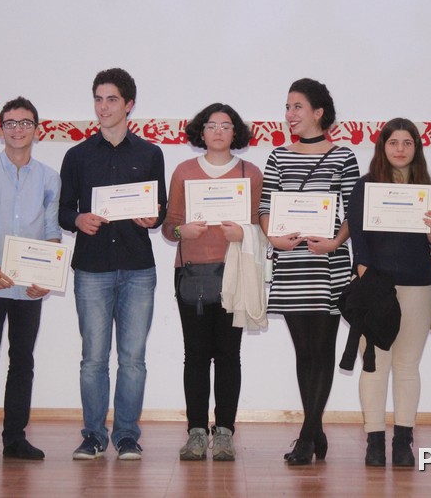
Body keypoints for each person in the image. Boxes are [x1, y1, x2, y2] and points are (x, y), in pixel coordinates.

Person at [59, 68, 167, 461]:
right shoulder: (77, 155)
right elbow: (63, 210)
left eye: (111, 100)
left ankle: (126, 436)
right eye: (98, 99)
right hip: (92, 269)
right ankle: (92, 435)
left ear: (129, 105)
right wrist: (78, 220)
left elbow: (161, 208)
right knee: (93, 360)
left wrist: (153, 217)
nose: (103, 107)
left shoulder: (150, 154)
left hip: (138, 269)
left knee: (133, 360)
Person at [259, 78, 360, 465]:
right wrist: (274, 238)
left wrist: (335, 243)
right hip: (292, 263)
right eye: (287, 107)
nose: (290, 114)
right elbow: (265, 207)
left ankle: (306, 435)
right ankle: (314, 431)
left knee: (322, 349)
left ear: (319, 112)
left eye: (297, 106)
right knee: (304, 352)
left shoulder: (343, 156)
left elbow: (353, 211)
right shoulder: (278, 156)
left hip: (327, 264)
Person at [162, 103, 264, 462]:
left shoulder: (250, 173)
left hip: (234, 273)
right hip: (192, 274)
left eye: (226, 125)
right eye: (211, 125)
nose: (218, 131)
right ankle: (195, 432)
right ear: (201, 131)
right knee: (195, 355)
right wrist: (182, 231)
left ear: (235, 132)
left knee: (229, 355)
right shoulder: (184, 171)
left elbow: (261, 226)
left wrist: (244, 232)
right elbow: (169, 226)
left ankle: (224, 432)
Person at [347, 118, 431, 467]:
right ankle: (374, 441)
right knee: (375, 364)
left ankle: (403, 441)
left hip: (417, 286)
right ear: (383, 147)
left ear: (416, 148)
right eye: (393, 143)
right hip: (375, 287)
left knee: (407, 366)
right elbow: (358, 238)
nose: (400, 149)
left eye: (407, 143)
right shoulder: (365, 186)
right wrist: (367, 280)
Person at [0, 97, 62, 463]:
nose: (17, 129)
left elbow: (52, 232)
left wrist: (48, 277)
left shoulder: (49, 177)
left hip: (30, 287)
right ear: (0, 129)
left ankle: (16, 438)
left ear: (37, 130)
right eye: (10, 123)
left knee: (22, 361)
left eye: (25, 123)